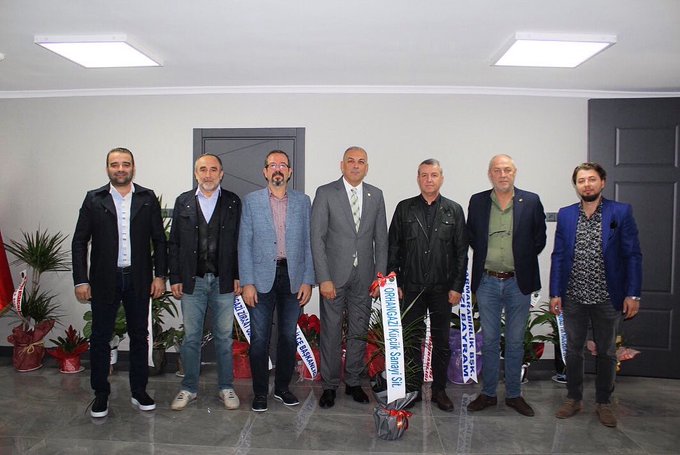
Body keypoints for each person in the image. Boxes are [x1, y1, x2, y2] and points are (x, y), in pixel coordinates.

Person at [72, 147, 167, 418]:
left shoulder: (146, 198)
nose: (121, 169)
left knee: (139, 336)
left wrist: (160, 276)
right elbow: (79, 241)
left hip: (138, 278)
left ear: (133, 167)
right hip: (104, 279)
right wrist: (81, 280)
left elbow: (160, 240)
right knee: (100, 337)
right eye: (115, 164)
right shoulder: (94, 199)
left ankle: (139, 391)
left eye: (126, 164)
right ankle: (101, 394)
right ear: (108, 169)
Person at [550, 162, 642, 428]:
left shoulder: (620, 212)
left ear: (602, 182)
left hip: (607, 296)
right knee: (573, 350)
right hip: (573, 295)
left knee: (607, 352)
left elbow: (633, 255)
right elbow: (558, 256)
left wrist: (633, 294)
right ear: (576, 185)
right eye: (581, 180)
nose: (586, 185)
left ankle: (604, 402)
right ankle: (573, 398)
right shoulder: (566, 215)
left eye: (591, 179)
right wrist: (555, 292)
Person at [466, 154, 546, 417]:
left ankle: (514, 395)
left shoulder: (531, 200)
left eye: (507, 170)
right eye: (497, 170)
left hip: (518, 282)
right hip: (487, 281)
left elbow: (539, 238)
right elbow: (473, 237)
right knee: (489, 341)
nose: (502, 174)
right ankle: (488, 394)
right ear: (490, 173)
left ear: (515, 172)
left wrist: (520, 258)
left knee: (514, 341)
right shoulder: (477, 201)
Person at [387, 159, 468, 412]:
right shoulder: (404, 209)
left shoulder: (454, 211)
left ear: (441, 178)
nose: (429, 179)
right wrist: (395, 282)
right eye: (424, 175)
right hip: (411, 288)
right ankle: (413, 389)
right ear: (418, 178)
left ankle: (439, 390)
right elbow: (393, 248)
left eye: (434, 175)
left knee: (441, 341)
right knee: (412, 339)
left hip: (442, 289)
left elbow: (461, 253)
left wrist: (457, 286)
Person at [311, 146, 388, 408]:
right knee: (331, 331)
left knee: (359, 330)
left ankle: (354, 382)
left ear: (367, 167)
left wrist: (379, 278)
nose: (356, 165)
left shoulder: (376, 195)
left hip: (364, 277)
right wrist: (323, 278)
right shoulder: (325, 193)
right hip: (333, 277)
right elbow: (317, 238)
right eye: (351, 161)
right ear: (341, 165)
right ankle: (330, 385)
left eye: (361, 162)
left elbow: (381, 240)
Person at [238, 150, 315, 412]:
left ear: (289, 171)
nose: (278, 169)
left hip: (293, 278)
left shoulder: (303, 201)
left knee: (288, 337)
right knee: (259, 339)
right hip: (260, 279)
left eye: (283, 165)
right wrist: (247, 282)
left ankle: (282, 388)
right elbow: (244, 243)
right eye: (273, 165)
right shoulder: (251, 201)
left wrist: (308, 280)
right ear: (265, 171)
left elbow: (309, 243)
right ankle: (260, 392)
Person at [168, 154, 242, 411]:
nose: (208, 174)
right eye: (203, 169)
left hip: (223, 280)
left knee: (224, 338)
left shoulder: (233, 201)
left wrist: (238, 275)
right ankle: (189, 388)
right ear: (195, 173)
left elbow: (240, 242)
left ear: (221, 173)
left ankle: (226, 387)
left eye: (213, 169)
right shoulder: (183, 201)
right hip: (193, 280)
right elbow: (174, 243)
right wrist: (175, 277)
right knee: (191, 337)